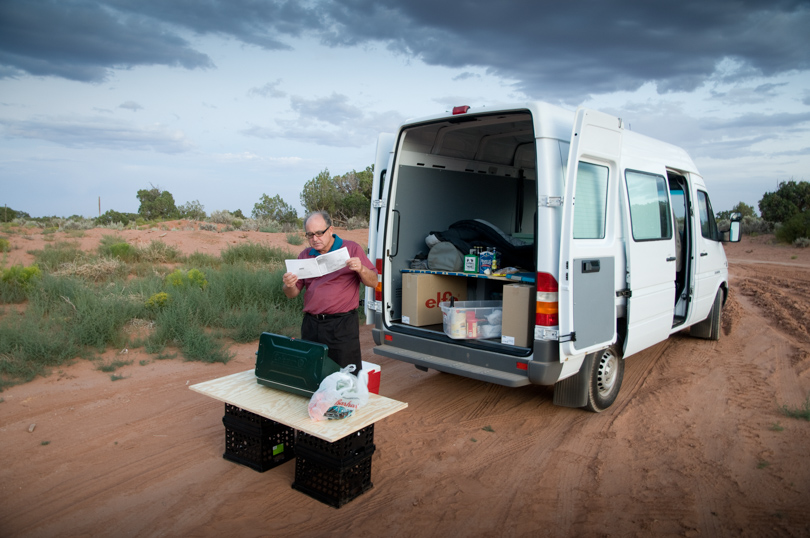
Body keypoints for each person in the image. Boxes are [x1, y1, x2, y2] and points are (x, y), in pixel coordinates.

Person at [282, 211, 378, 372]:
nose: (315, 239)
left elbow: (374, 282)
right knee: (312, 371)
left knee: (346, 375)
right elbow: (292, 294)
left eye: (319, 233)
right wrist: (289, 285)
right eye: (310, 235)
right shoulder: (304, 255)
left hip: (342, 325)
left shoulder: (351, 248)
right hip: (311, 325)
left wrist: (361, 268)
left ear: (331, 230)